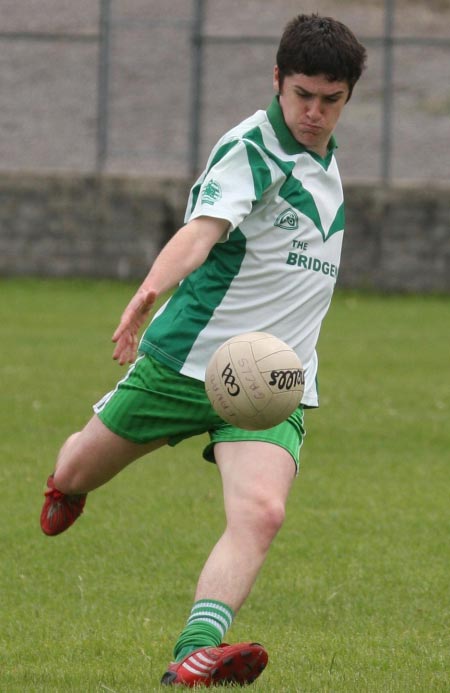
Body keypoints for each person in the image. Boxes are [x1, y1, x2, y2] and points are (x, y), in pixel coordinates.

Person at [40, 13, 367, 688]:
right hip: (189, 362)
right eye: (302, 93)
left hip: (273, 379)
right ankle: (67, 484)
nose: (313, 111)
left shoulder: (328, 166)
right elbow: (202, 231)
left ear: (347, 97)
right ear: (277, 80)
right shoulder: (250, 150)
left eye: (329, 99)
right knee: (79, 465)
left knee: (263, 513)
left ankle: (192, 652)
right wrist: (149, 291)